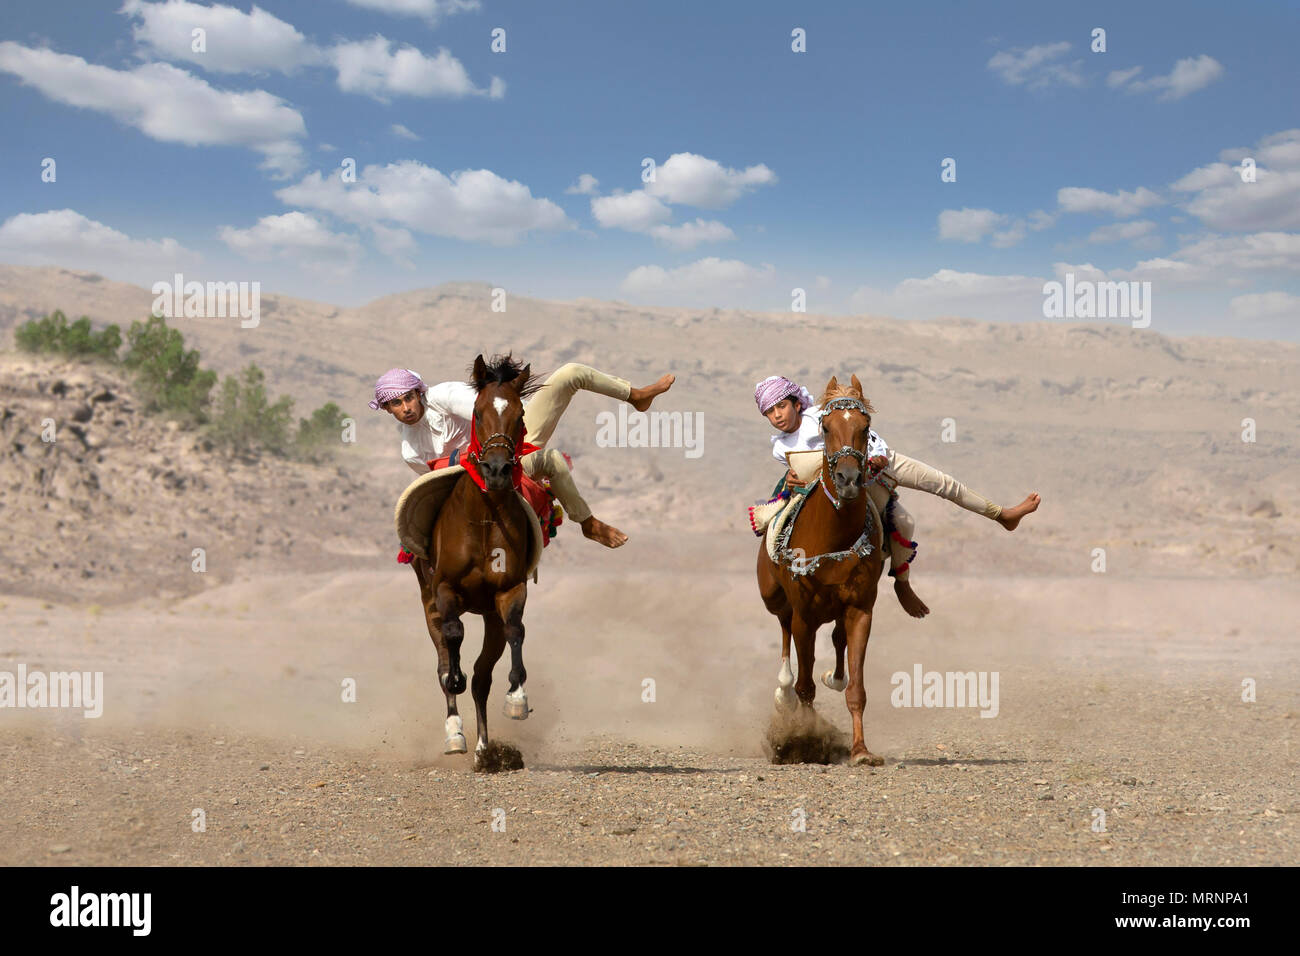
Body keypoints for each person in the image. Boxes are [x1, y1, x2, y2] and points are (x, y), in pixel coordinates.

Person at [754, 375, 1041, 617]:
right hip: (850, 483)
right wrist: (793, 479)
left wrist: (878, 456)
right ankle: (898, 580)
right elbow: (808, 476)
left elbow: (866, 433)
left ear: (796, 403)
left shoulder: (820, 414)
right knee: (903, 522)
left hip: (880, 462)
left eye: (781, 406)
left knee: (942, 482)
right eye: (769, 411)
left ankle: (1001, 515)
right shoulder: (780, 448)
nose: (777, 415)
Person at [372, 363, 675, 548]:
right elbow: (440, 484)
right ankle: (587, 522)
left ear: (418, 392)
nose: (406, 408)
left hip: (516, 437)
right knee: (552, 460)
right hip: (486, 479)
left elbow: (492, 412)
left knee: (571, 373)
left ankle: (636, 396)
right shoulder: (409, 449)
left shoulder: (442, 396)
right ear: (387, 410)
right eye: (395, 404)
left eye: (408, 398)